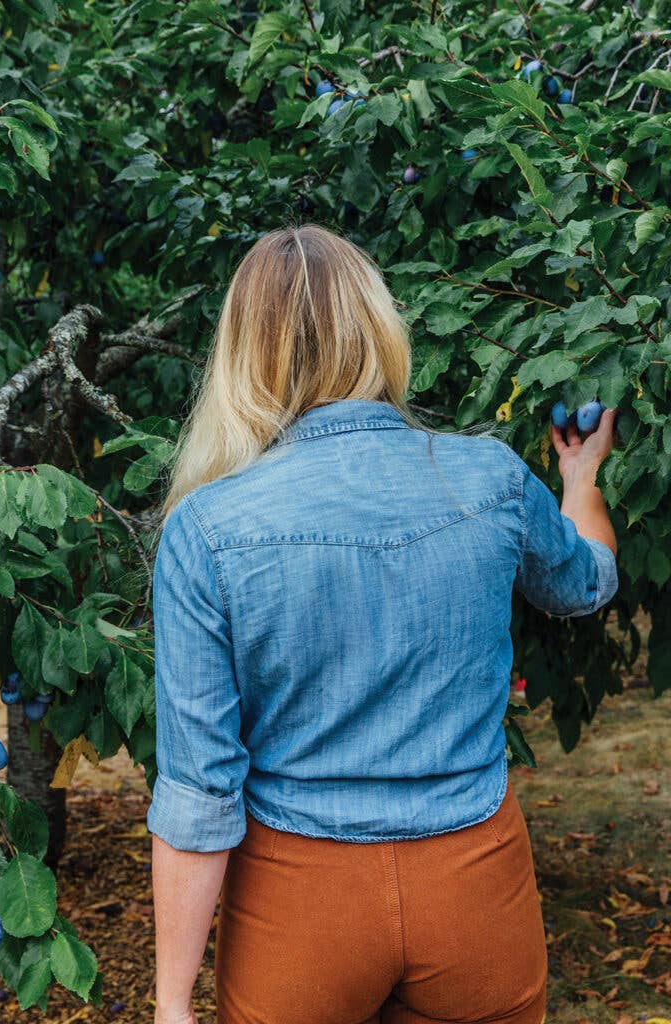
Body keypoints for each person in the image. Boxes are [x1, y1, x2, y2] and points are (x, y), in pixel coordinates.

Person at [146, 225, 619, 1024]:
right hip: (475, 885)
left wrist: (169, 1003)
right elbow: (585, 583)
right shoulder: (491, 475)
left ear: (243, 354)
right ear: (379, 327)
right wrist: (582, 478)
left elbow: (199, 793)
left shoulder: (208, 529)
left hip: (299, 908)